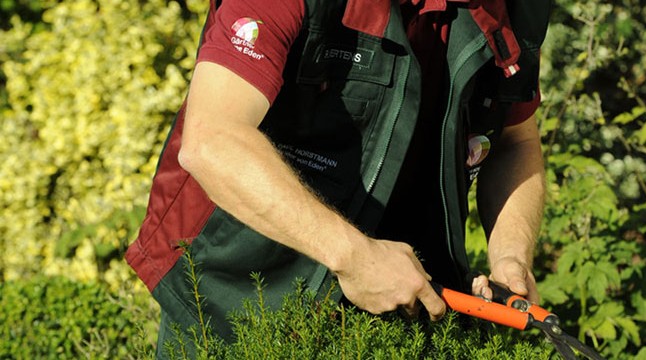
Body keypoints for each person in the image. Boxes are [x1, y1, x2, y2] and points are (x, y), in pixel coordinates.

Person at [125, 0, 551, 355]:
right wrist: (354, 255)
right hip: (237, 294)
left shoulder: (511, 9)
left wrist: (511, 257)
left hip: (407, 302)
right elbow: (213, 140)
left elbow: (514, 140)